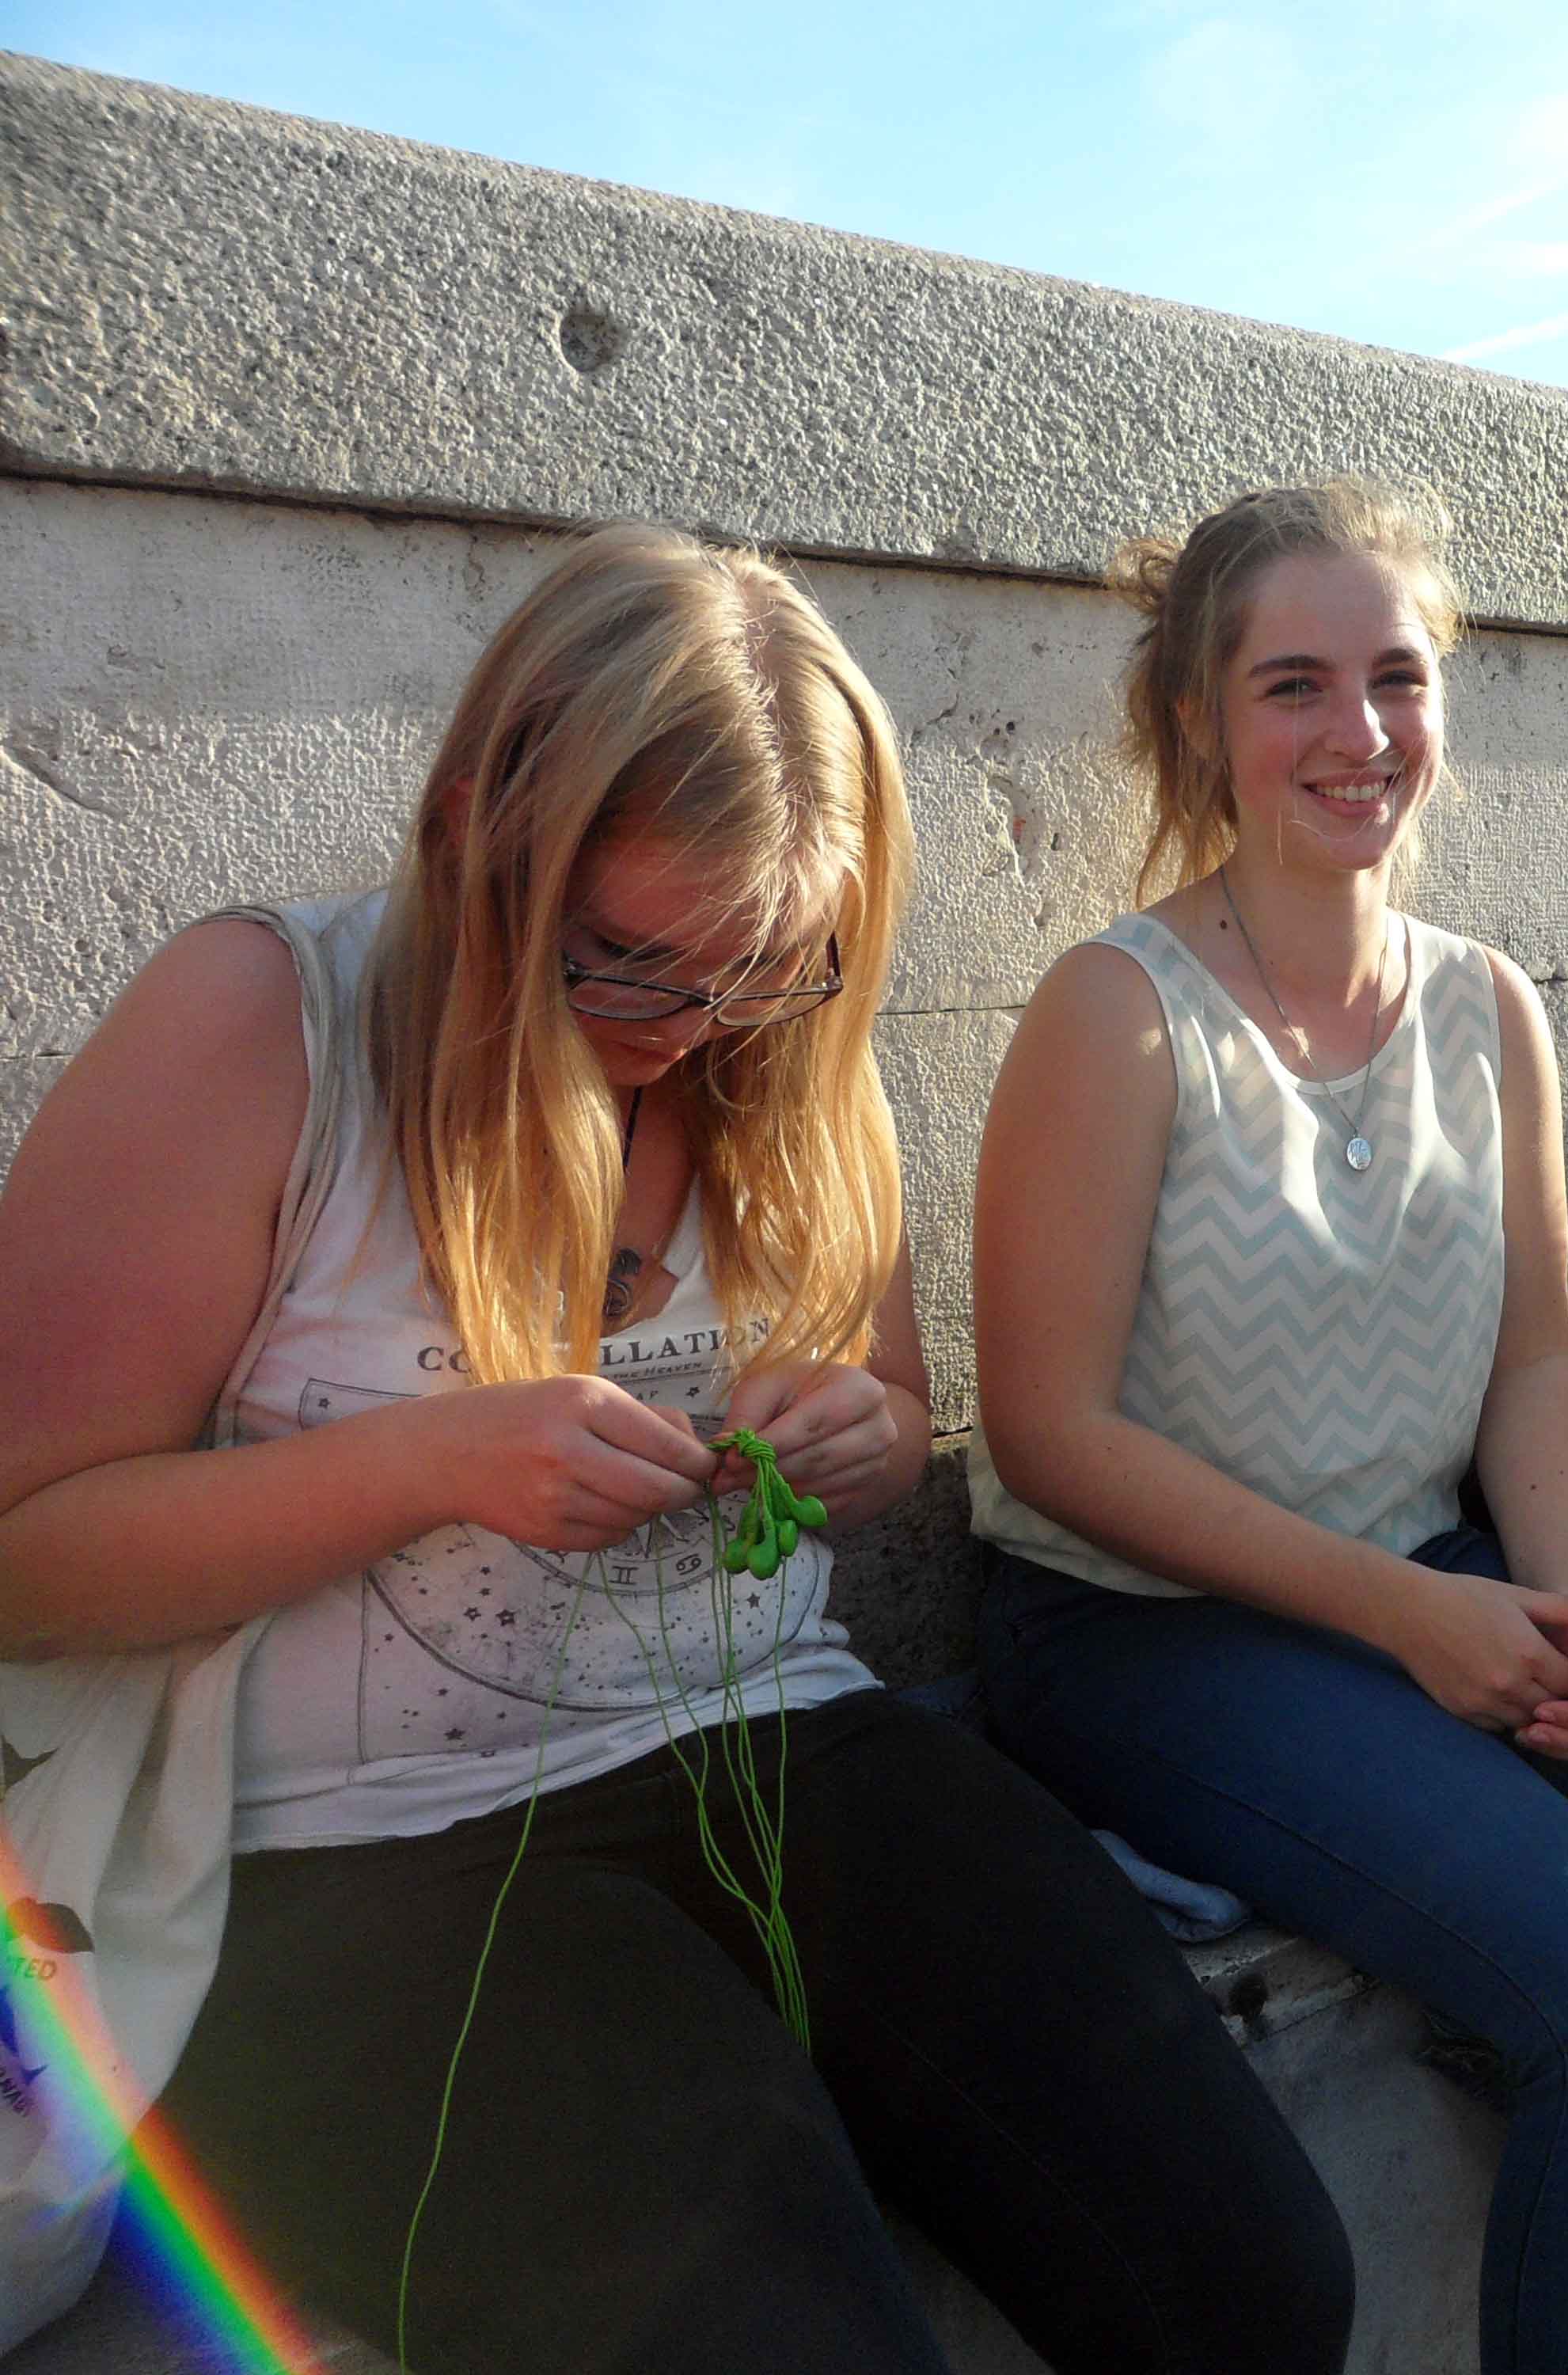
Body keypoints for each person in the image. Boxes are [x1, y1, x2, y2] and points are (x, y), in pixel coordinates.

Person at [0, 526, 1353, 2374]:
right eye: (628, 964)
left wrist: (855, 1435)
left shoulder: (779, 1054)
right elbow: (26, 1555)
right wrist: (431, 1463)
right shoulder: (259, 1022)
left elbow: (893, 1405)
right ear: (477, 832)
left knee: (1249, 2280)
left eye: (765, 970)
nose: (691, 1033)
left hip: (775, 1741)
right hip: (350, 1857)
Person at [966, 480, 1568, 2375]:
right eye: (1293, 685)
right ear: (1198, 722)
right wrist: (1413, 1617)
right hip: (1143, 1627)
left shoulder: (1487, 1007)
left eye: (1395, 677)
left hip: (1439, 1574)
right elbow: (1047, 1435)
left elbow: (1530, 1362)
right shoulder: (1118, 1014)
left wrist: (1565, 1616)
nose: (1359, 730)